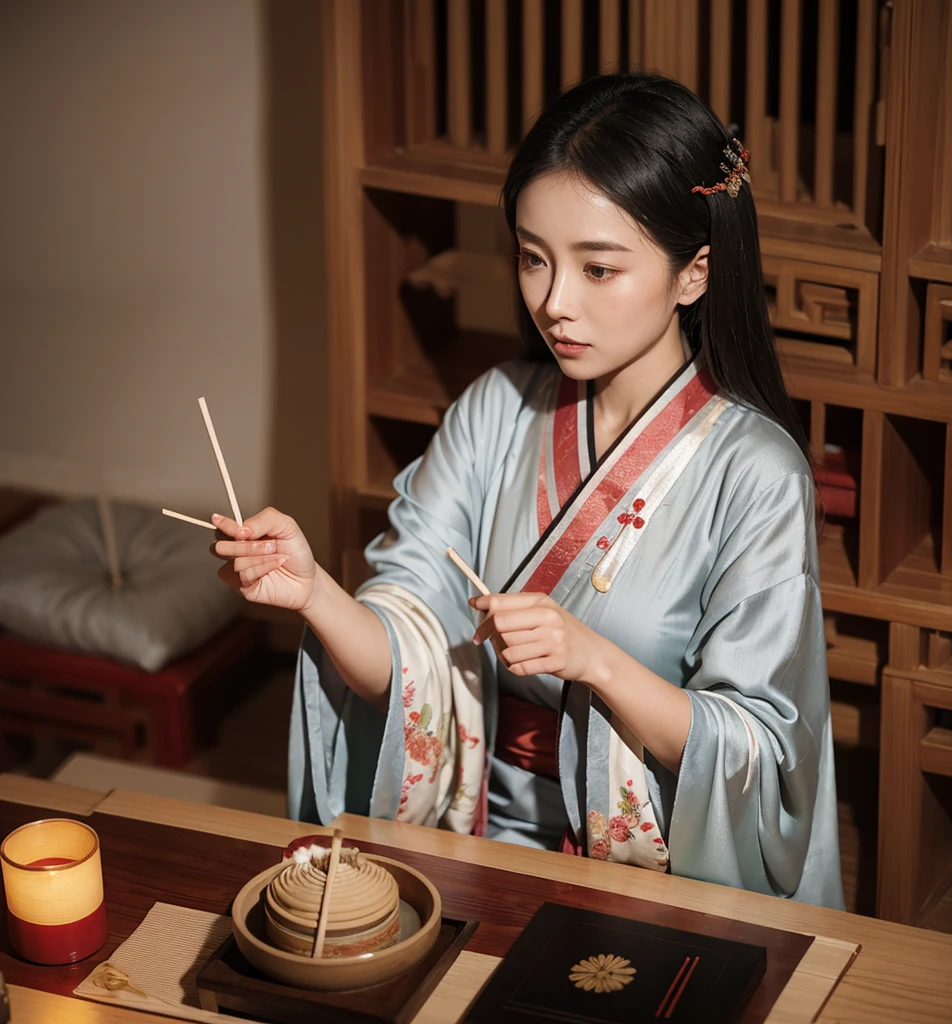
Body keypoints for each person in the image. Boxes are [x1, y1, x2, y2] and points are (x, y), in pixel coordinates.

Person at [212, 73, 844, 909]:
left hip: (646, 858)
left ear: (695, 273)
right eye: (533, 258)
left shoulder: (756, 474)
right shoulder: (493, 414)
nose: (554, 303)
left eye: (599, 268)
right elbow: (406, 657)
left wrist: (597, 661)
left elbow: (761, 752)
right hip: (467, 827)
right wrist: (313, 593)